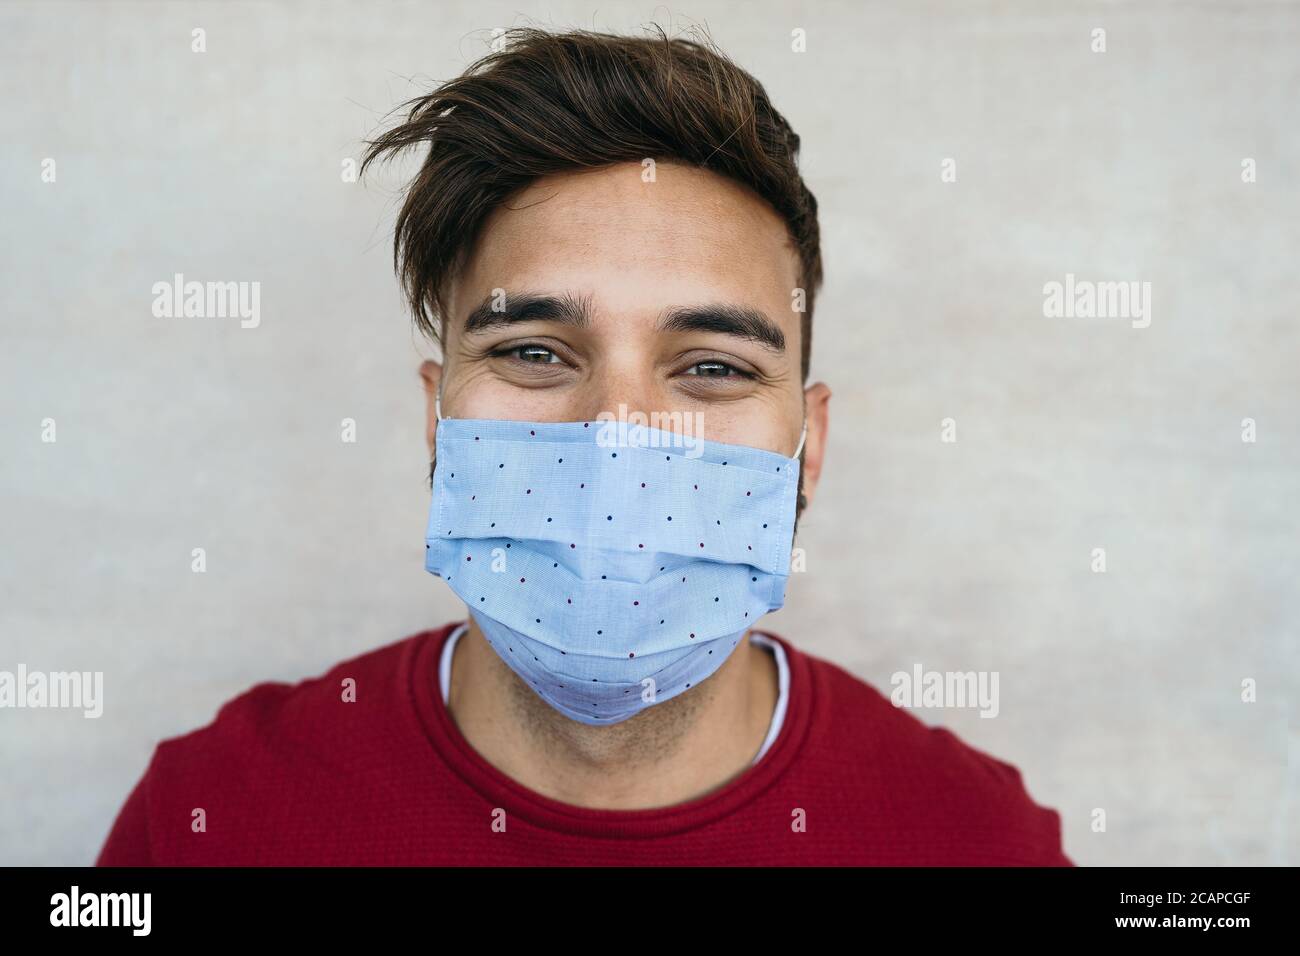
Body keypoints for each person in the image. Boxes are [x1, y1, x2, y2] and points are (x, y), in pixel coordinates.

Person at [97, 25, 1071, 866]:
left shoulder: (976, 839)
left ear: (807, 446)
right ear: (440, 423)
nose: (618, 436)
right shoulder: (214, 811)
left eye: (713, 367)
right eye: (532, 351)